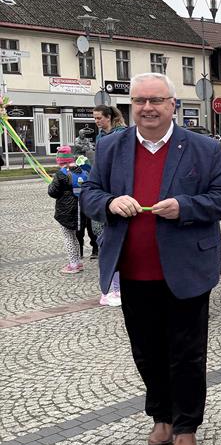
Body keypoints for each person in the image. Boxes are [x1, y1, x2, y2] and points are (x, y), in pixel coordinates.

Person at [81, 72, 221, 445]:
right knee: (147, 351)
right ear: (130, 105)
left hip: (186, 269)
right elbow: (90, 193)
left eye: (155, 100)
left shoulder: (203, 148)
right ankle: (161, 416)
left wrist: (185, 206)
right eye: (139, 101)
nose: (147, 108)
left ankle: (185, 426)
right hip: (134, 269)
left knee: (186, 353)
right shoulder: (111, 146)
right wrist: (110, 203)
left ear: (172, 105)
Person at [91, 105, 128, 304]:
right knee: (103, 237)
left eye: (99, 118)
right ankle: (113, 285)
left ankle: (118, 288)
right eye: (95, 118)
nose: (96, 121)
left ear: (109, 117)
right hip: (104, 192)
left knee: (114, 240)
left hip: (118, 191)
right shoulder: (100, 137)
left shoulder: (121, 134)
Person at [48, 146, 91, 274]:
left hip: (66, 210)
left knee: (68, 237)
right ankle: (77, 262)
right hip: (80, 208)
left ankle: (73, 265)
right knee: (74, 236)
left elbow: (52, 192)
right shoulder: (82, 172)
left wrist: (51, 184)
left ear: (61, 161)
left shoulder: (61, 174)